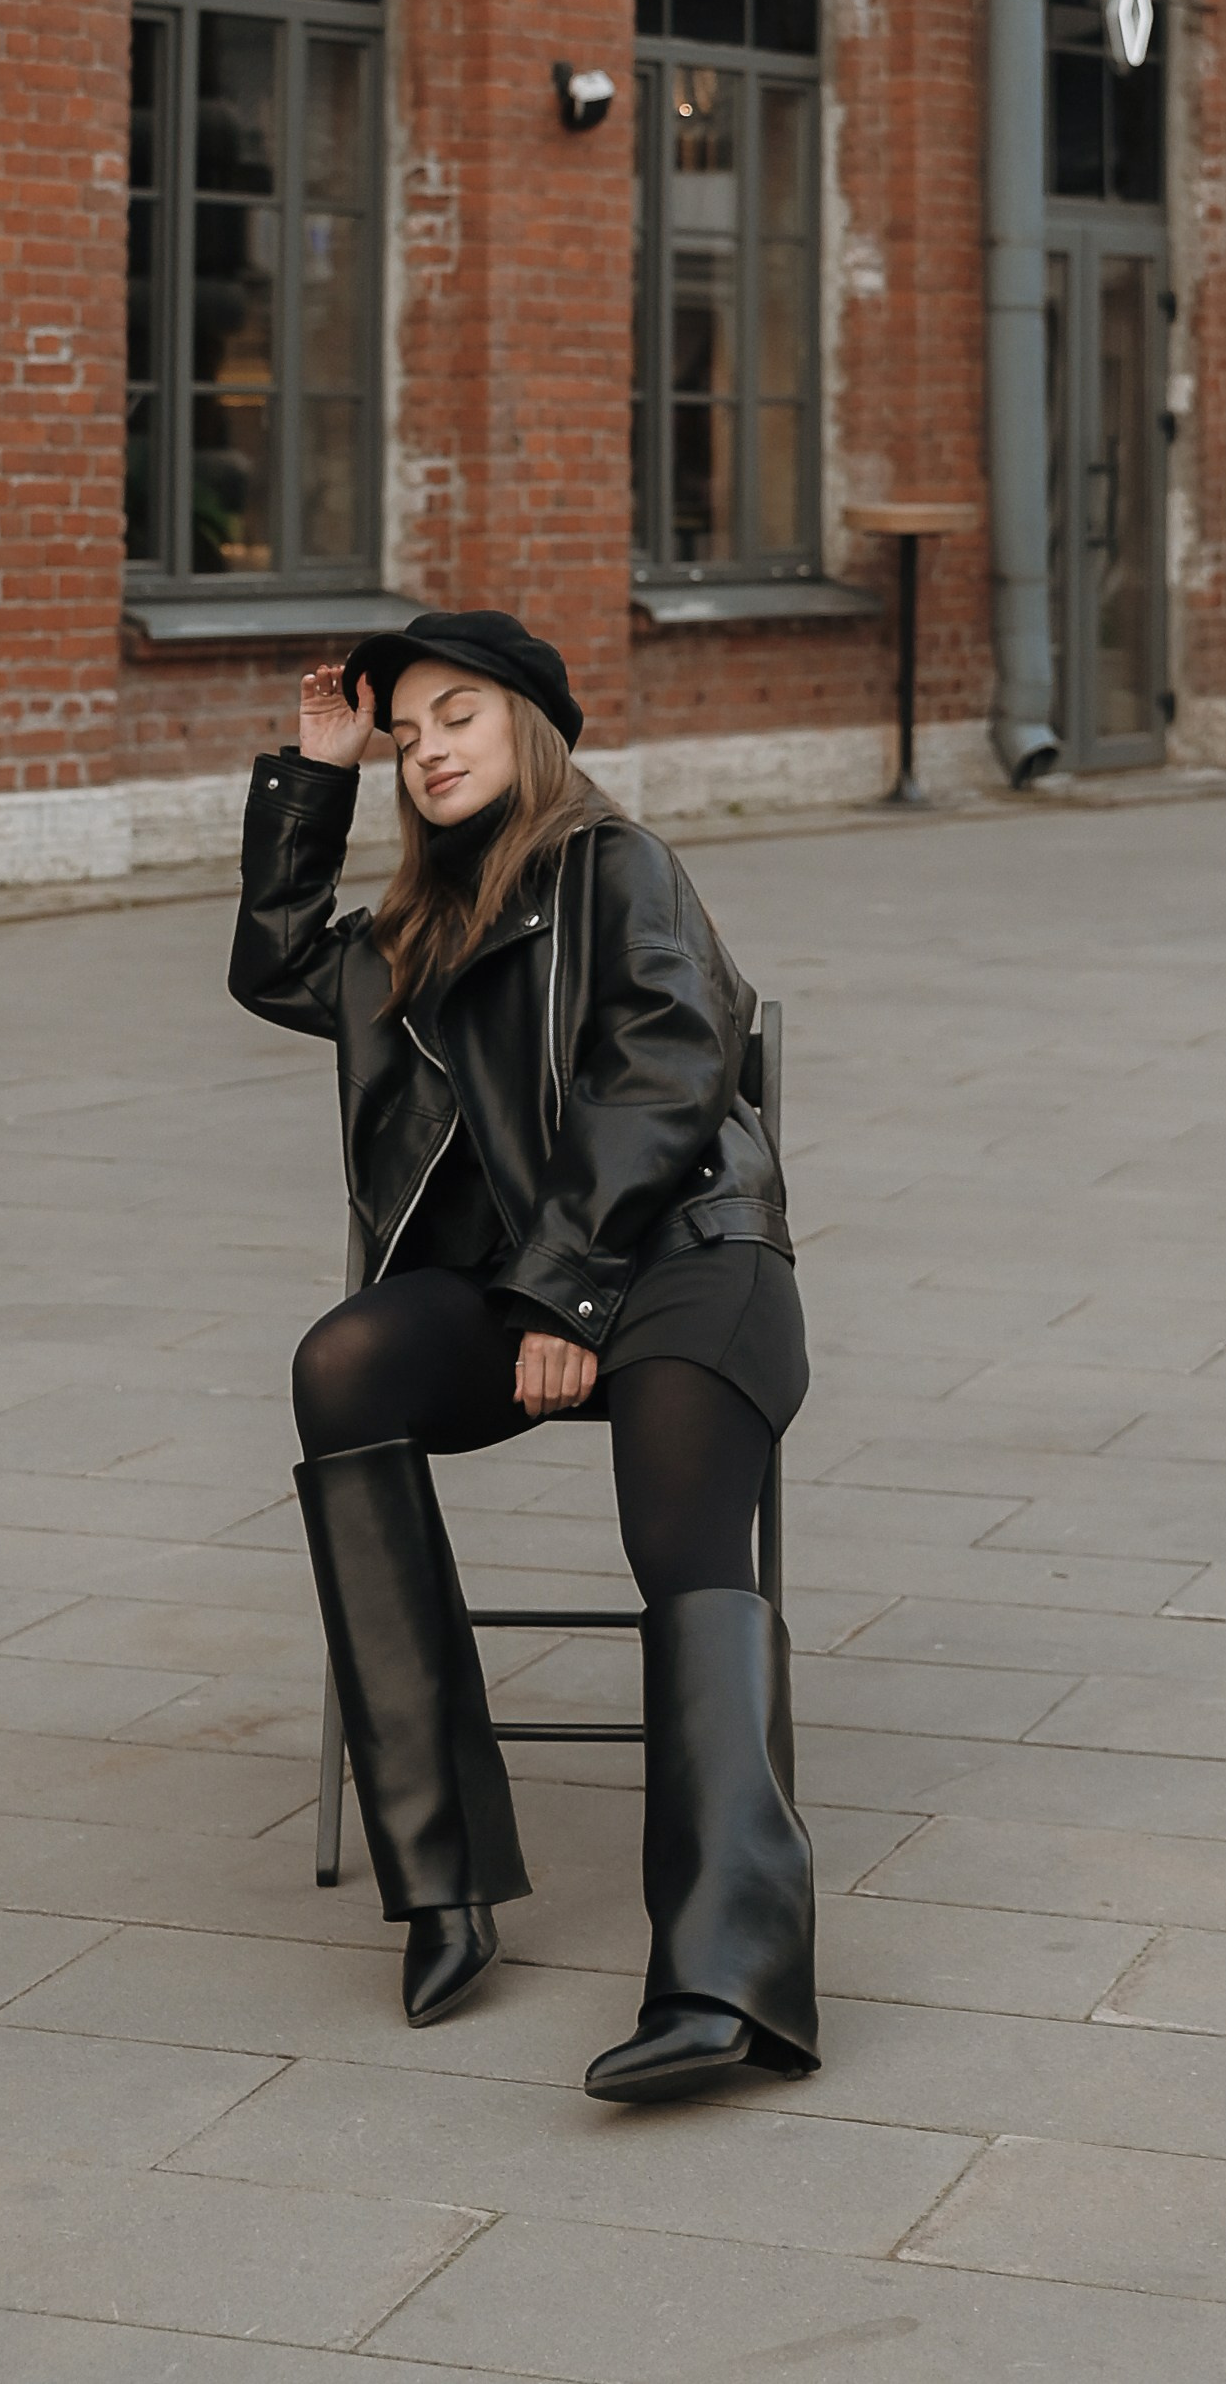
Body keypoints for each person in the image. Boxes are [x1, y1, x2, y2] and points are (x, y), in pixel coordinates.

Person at [230, 608, 816, 2104]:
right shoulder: (418, 926)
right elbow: (278, 964)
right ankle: (444, 1880)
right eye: (405, 732)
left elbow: (668, 1072)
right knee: (343, 1363)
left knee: (682, 1540)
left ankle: (725, 1980)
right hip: (518, 1293)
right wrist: (316, 773)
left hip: (685, 1260)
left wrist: (569, 1293)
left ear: (528, 730)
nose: (426, 749)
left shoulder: (618, 866)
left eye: (455, 720)